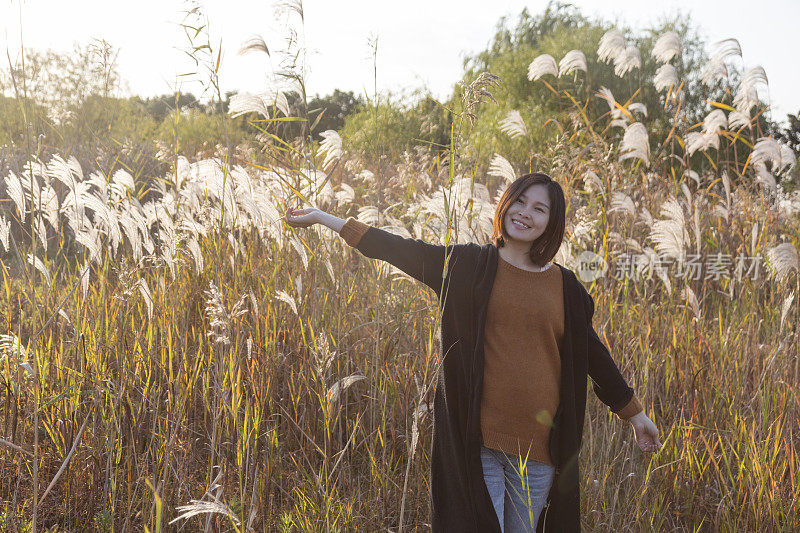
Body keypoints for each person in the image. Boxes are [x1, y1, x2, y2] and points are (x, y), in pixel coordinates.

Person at [283, 172, 662, 532]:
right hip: (477, 445)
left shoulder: (565, 287)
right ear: (506, 204)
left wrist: (634, 414)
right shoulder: (466, 266)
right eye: (520, 201)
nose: (525, 213)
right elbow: (398, 250)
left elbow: (593, 355)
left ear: (551, 222)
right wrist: (323, 218)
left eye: (539, 209)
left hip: (538, 453)